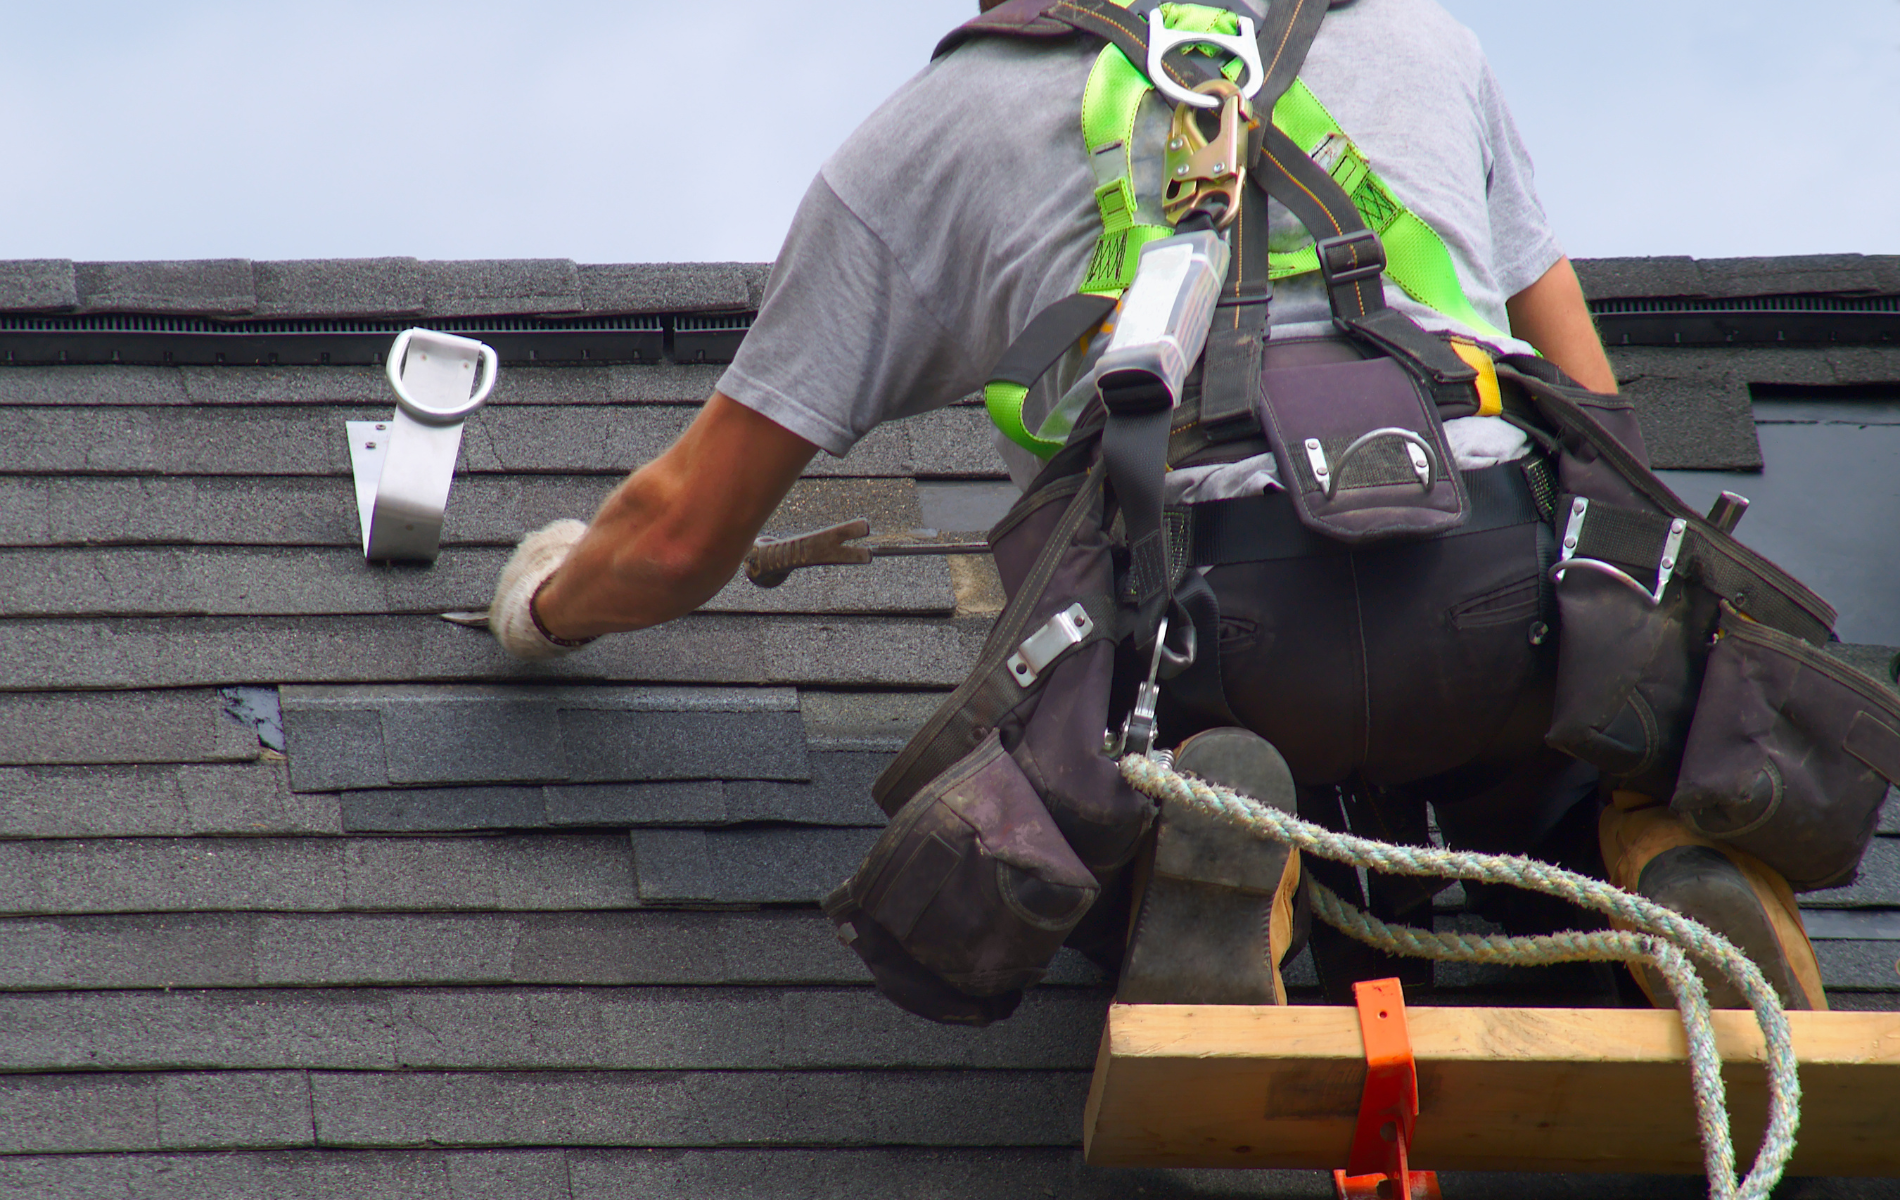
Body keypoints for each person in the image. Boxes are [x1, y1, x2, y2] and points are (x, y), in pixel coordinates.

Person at [487, 0, 1827, 1013]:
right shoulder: (1423, 41)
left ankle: (1213, 854)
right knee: (1592, 697)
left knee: (1093, 749)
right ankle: (1651, 850)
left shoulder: (935, 134)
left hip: (1211, 641)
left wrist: (545, 604)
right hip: (1507, 612)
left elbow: (678, 535)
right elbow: (1607, 436)